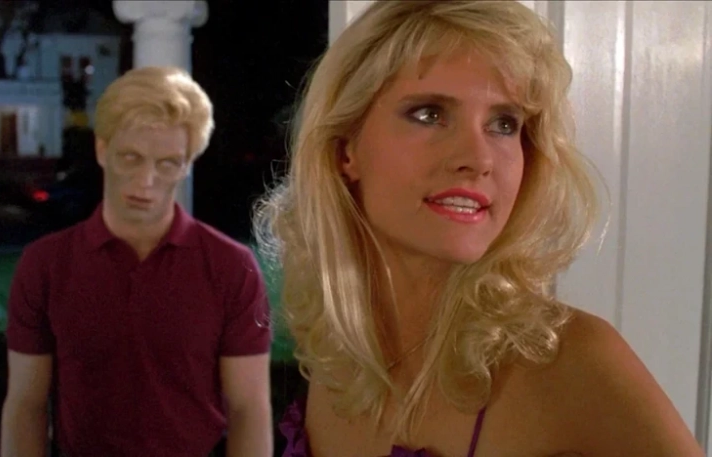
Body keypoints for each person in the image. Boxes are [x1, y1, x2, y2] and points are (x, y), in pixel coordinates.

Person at [254, 1, 704, 456]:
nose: (478, 157)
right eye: (429, 114)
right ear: (345, 149)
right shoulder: (337, 358)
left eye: (504, 124)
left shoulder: (570, 362)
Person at [1, 66, 273, 457]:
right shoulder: (45, 265)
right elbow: (26, 405)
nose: (146, 181)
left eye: (167, 163)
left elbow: (249, 409)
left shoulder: (231, 267)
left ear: (187, 165)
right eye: (131, 158)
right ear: (102, 150)